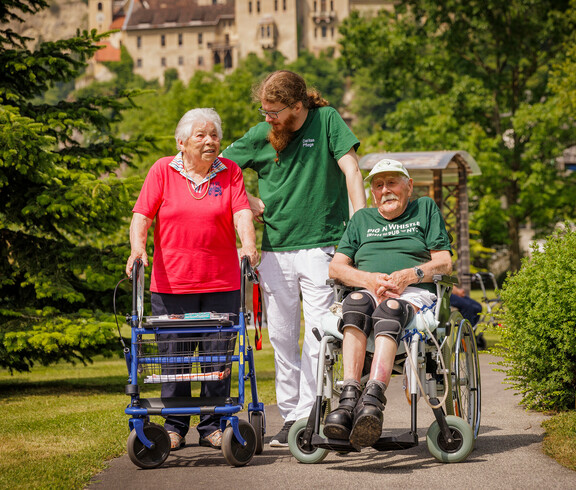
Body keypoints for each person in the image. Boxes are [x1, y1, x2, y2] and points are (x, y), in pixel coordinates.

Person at [221, 70, 366, 446]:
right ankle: (291, 415)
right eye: (263, 110)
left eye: (274, 111)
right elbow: (219, 168)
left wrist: (361, 225)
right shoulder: (261, 133)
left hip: (322, 244)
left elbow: (351, 169)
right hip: (276, 250)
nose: (267, 117)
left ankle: (311, 412)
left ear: (297, 106)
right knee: (282, 338)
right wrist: (248, 200)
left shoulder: (327, 120)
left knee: (317, 335)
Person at [125, 108, 259, 451]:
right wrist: (138, 250)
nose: (210, 141)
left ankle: (212, 426)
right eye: (201, 135)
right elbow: (142, 215)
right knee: (173, 360)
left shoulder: (230, 172)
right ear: (181, 142)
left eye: (214, 135)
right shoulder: (162, 170)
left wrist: (248, 246)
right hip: (172, 285)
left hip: (222, 282)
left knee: (217, 359)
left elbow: (242, 212)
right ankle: (174, 426)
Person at [323, 159, 453, 448]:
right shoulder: (362, 220)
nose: (385, 190)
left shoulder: (424, 209)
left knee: (390, 309)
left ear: (408, 186)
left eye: (392, 182)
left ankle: (373, 398)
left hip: (412, 293)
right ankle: (348, 400)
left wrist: (411, 275)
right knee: (354, 302)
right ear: (372, 193)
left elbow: (444, 261)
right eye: (378, 185)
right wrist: (368, 280)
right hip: (371, 289)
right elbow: (336, 268)